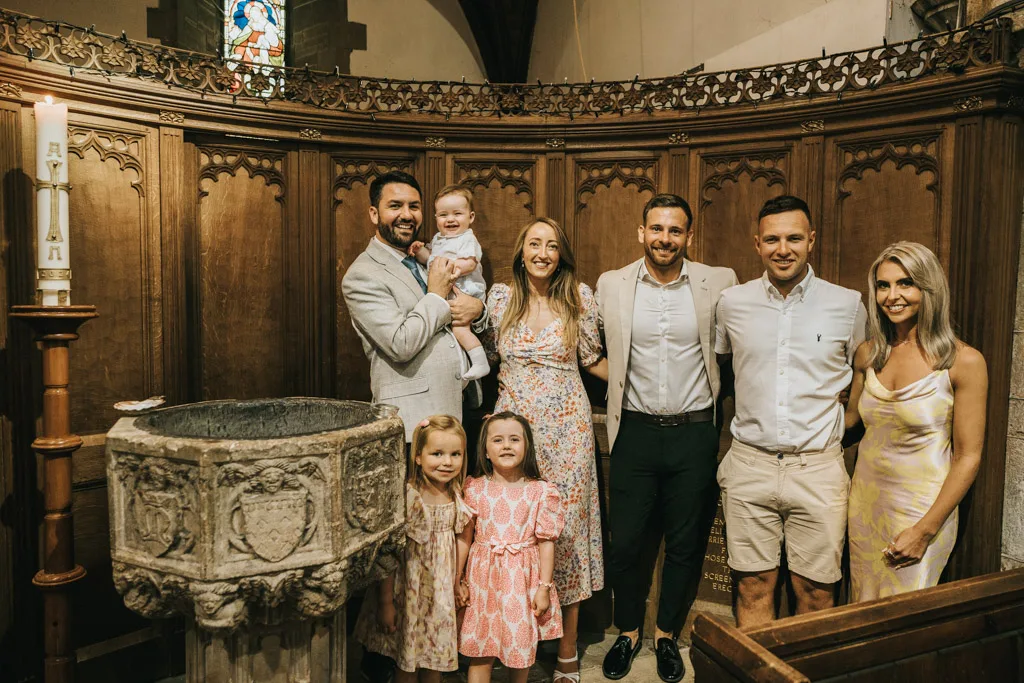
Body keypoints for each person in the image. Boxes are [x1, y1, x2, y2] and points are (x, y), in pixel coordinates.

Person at [597, 194, 737, 683]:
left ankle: (667, 636)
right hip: (633, 430)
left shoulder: (718, 282)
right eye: (656, 229)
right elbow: (593, 347)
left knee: (684, 542)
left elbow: (730, 351)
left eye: (675, 230)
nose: (664, 239)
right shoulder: (611, 284)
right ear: (641, 232)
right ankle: (629, 630)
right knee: (628, 543)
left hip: (693, 432)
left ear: (688, 237)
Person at [715, 195, 867, 627]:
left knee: (818, 593)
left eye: (794, 238)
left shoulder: (848, 305)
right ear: (757, 243)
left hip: (817, 468)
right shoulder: (732, 303)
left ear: (812, 240)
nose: (783, 249)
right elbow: (722, 367)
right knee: (752, 586)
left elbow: (864, 373)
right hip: (750, 464)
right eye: (773, 239)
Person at [481, 218, 606, 682]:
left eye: (552, 246)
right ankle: (508, 638)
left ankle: (567, 648)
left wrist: (647, 388)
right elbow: (482, 355)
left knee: (565, 535)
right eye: (535, 243)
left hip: (568, 435)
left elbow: (592, 358)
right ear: (521, 251)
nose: (543, 252)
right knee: (511, 536)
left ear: (561, 255)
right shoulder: (499, 299)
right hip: (514, 434)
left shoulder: (579, 297)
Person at [844, 242, 987, 601]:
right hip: (864, 504)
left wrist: (925, 529)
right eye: (883, 285)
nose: (892, 296)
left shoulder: (963, 361)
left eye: (905, 284)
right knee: (861, 606)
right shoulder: (869, 353)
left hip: (921, 509)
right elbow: (848, 420)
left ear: (929, 288)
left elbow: (968, 456)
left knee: (904, 618)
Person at [341, 170, 485, 443]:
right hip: (414, 422)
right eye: (395, 206)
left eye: (414, 207)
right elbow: (400, 343)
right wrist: (436, 294)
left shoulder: (427, 255)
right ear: (374, 214)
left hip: (463, 409)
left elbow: (463, 302)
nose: (407, 215)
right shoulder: (362, 275)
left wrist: (477, 310)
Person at [354, 415, 474, 683]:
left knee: (435, 661)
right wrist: (386, 602)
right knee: (407, 663)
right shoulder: (407, 497)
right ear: (418, 456)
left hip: (439, 596)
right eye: (437, 453)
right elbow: (389, 552)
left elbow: (463, 535)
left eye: (456, 454)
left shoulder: (457, 495)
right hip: (408, 593)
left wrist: (457, 580)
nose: (447, 461)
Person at [458, 412, 563, 683]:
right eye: (498, 440)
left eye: (514, 439)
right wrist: (457, 579)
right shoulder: (475, 489)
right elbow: (465, 539)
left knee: (520, 649)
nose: (507, 445)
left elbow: (546, 543)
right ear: (486, 450)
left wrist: (544, 587)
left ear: (526, 446)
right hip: (483, 583)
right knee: (481, 650)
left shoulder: (540, 491)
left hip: (521, 583)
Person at [408, 185, 490, 381]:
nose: (450, 219)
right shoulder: (438, 240)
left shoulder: (467, 238)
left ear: (470, 217)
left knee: (460, 328)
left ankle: (480, 362)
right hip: (448, 290)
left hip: (466, 290)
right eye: (443, 215)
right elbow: (430, 260)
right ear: (436, 218)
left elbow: (470, 263)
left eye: (457, 214)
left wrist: (449, 267)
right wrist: (420, 251)